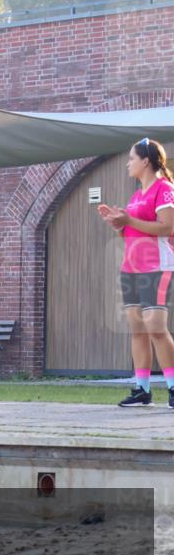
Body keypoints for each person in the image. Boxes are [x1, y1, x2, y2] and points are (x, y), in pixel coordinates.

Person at [97, 137, 174, 409]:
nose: (128, 163)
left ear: (146, 161)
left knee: (156, 327)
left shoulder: (164, 189)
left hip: (157, 265)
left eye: (132, 158)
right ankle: (141, 389)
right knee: (137, 329)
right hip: (130, 266)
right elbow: (132, 231)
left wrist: (128, 219)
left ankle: (173, 387)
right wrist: (117, 225)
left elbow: (167, 227)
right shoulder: (136, 195)